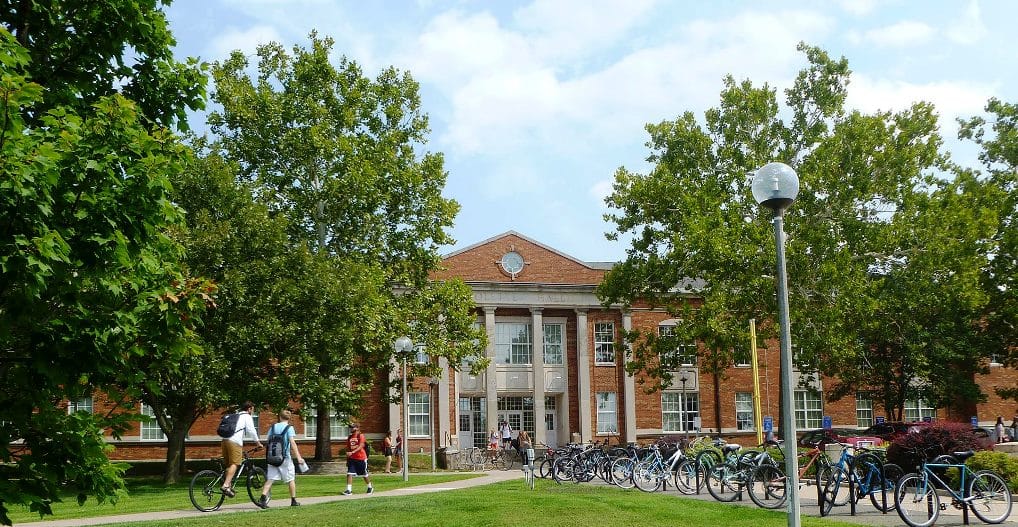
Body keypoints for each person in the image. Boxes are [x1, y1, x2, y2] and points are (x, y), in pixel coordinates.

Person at [256, 409, 305, 508]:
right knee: (291, 479)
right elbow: (292, 444)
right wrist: (299, 457)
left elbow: (268, 441)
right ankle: (293, 500)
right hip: (285, 458)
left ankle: (263, 498)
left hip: (272, 458)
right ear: (289, 418)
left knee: (270, 479)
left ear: (279, 417)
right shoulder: (289, 428)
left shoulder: (273, 427)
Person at [221, 401, 262, 498]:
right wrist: (258, 443)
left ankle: (229, 487)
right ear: (249, 409)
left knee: (229, 465)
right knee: (235, 463)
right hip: (234, 442)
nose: (253, 411)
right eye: (253, 409)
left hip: (224, 441)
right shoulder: (246, 417)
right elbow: (251, 430)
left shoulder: (235, 415)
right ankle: (226, 485)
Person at [343, 423, 373, 495]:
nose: (351, 429)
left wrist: (352, 452)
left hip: (361, 458)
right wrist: (348, 457)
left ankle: (370, 487)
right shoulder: (350, 437)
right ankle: (349, 490)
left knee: (364, 474)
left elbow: (360, 446)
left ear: (357, 428)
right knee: (349, 473)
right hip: (352, 459)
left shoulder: (360, 436)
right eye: (350, 427)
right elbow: (348, 448)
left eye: (352, 427)